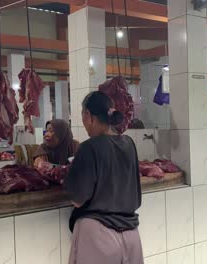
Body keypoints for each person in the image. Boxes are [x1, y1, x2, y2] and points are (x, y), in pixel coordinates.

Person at [64, 91, 143, 264]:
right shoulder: (129, 144)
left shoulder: (89, 147)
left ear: (88, 116)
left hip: (99, 237)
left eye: (83, 118)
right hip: (131, 236)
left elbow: (77, 199)